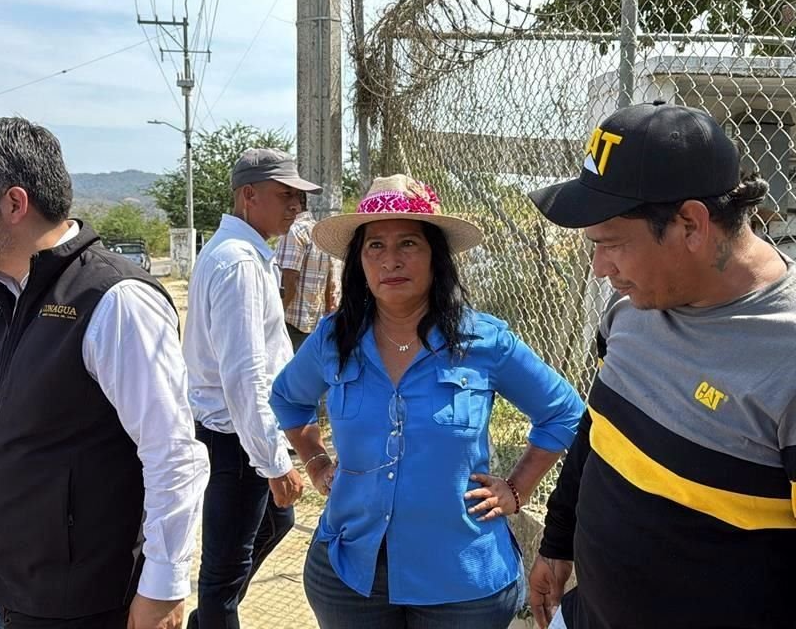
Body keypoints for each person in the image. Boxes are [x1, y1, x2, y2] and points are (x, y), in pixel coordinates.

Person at [0, 117, 210, 629]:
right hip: (18, 585)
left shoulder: (114, 301)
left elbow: (173, 455)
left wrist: (163, 587)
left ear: (14, 203)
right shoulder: (0, 296)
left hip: (91, 599)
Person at [270, 174, 585, 629]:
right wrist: (317, 463)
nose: (390, 260)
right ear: (359, 261)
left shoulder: (484, 340)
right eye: (374, 245)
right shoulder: (333, 339)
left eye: (409, 244)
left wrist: (517, 489)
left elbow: (564, 413)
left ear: (436, 256)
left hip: (463, 581)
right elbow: (287, 400)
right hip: (350, 574)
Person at [525, 101, 796, 629]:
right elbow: (600, 429)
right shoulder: (633, 308)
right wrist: (557, 540)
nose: (601, 269)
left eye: (611, 245)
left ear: (690, 224)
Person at [182, 148, 319, 628]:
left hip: (237, 433)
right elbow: (245, 375)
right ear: (248, 195)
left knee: (275, 523)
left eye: (299, 198)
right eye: (286, 195)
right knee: (223, 574)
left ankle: (208, 619)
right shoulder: (238, 263)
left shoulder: (243, 253)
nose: (296, 207)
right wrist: (273, 461)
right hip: (236, 438)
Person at [275, 196, 339, 351]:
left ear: (296, 204)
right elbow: (330, 278)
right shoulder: (319, 231)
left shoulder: (293, 230)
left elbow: (289, 278)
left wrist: (274, 316)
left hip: (292, 322)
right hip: (314, 320)